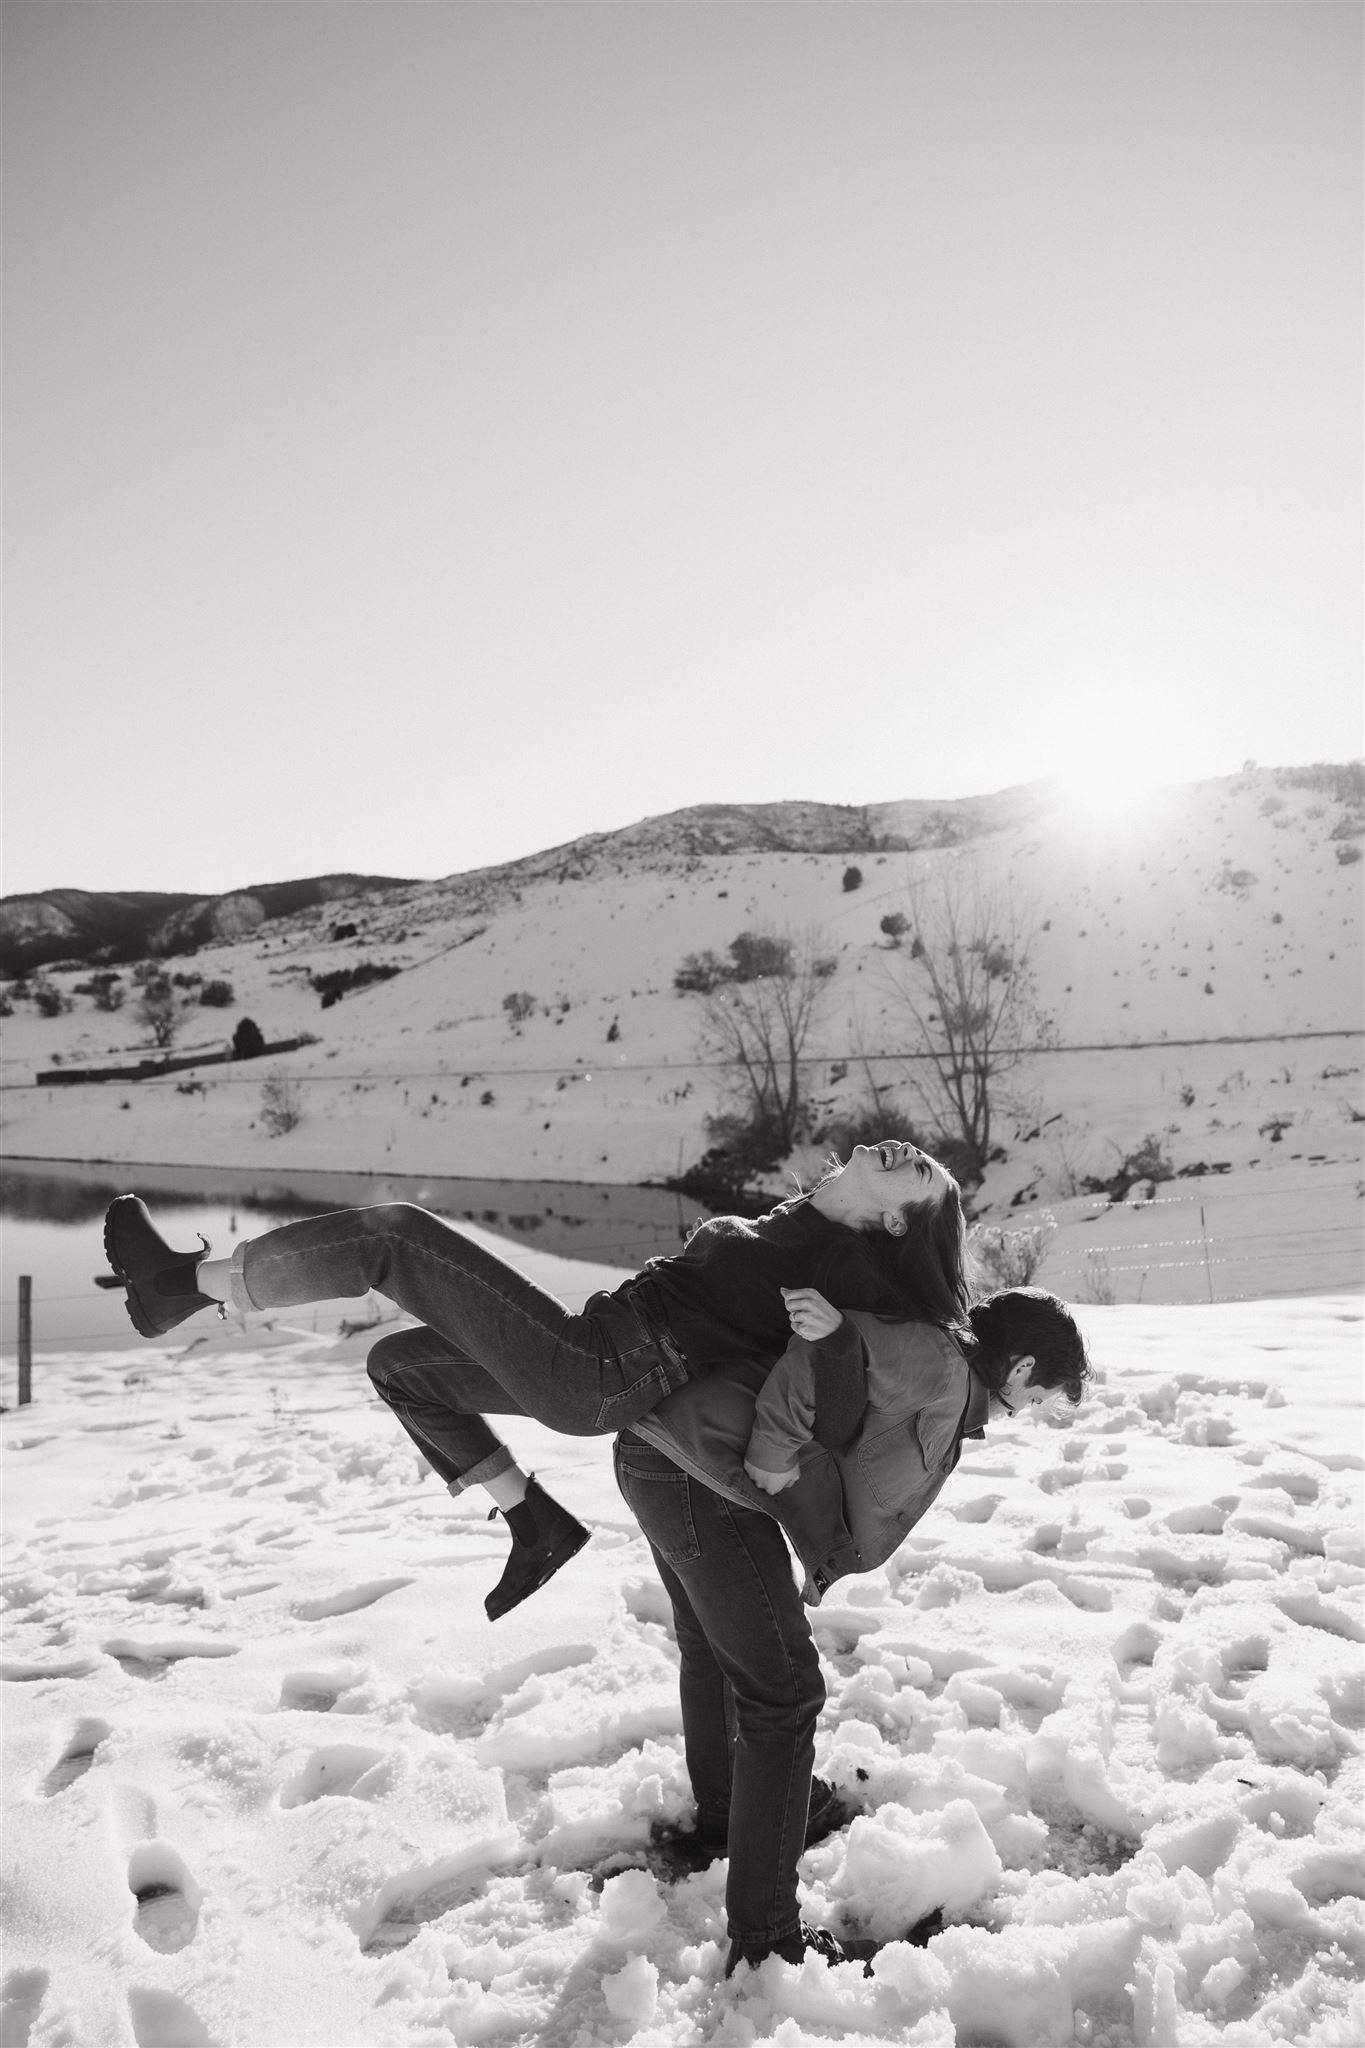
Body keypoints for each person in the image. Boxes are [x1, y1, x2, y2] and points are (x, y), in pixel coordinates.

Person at [103, 1140, 968, 1620]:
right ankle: (535, 1522)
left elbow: (858, 1384)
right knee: (399, 1366)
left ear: (897, 1218)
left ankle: (176, 1287)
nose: (911, 1151)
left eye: (922, 1173)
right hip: (601, 1354)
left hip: (607, 1369)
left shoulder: (843, 1267)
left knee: (394, 1239)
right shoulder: (800, 1219)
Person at [616, 1284, 1091, 1975]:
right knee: (783, 1694)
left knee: (718, 1651)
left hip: (677, 1455)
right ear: (1018, 1370)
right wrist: (776, 1450)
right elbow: (826, 1358)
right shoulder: (936, 1363)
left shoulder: (949, 1382)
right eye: (1042, 1397)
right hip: (691, 1468)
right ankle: (765, 1942)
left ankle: (728, 1811)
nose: (1033, 1413)